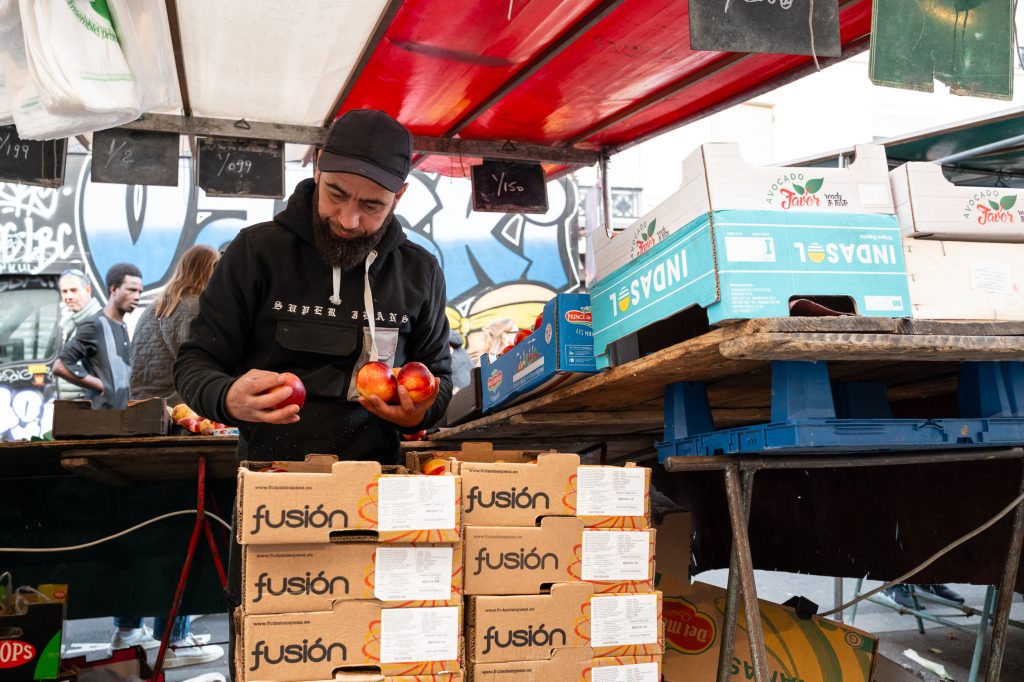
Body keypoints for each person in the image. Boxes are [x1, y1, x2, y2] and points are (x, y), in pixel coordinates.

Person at [173, 110, 453, 680]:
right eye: (336, 195)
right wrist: (227, 397)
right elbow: (195, 363)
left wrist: (420, 407)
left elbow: (440, 377)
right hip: (275, 495)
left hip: (378, 499)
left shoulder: (419, 271)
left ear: (399, 197)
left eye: (371, 205)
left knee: (369, 649)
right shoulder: (254, 253)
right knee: (275, 651)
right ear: (317, 167)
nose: (348, 219)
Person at [130, 245, 220, 405]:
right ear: (211, 269)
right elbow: (202, 362)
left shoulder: (155, 305)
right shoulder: (193, 306)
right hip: (175, 404)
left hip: (142, 402)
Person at [52, 263, 143, 409]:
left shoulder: (116, 325)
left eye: (74, 290)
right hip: (94, 415)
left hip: (114, 415)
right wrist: (102, 386)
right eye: (132, 290)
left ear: (88, 290)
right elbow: (61, 365)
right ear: (114, 289)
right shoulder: (92, 324)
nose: (137, 297)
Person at [56, 268, 102, 401]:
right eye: (64, 291)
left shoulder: (98, 324)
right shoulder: (74, 322)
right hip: (75, 405)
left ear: (88, 290)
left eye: (74, 290)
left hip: (88, 406)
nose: (68, 296)